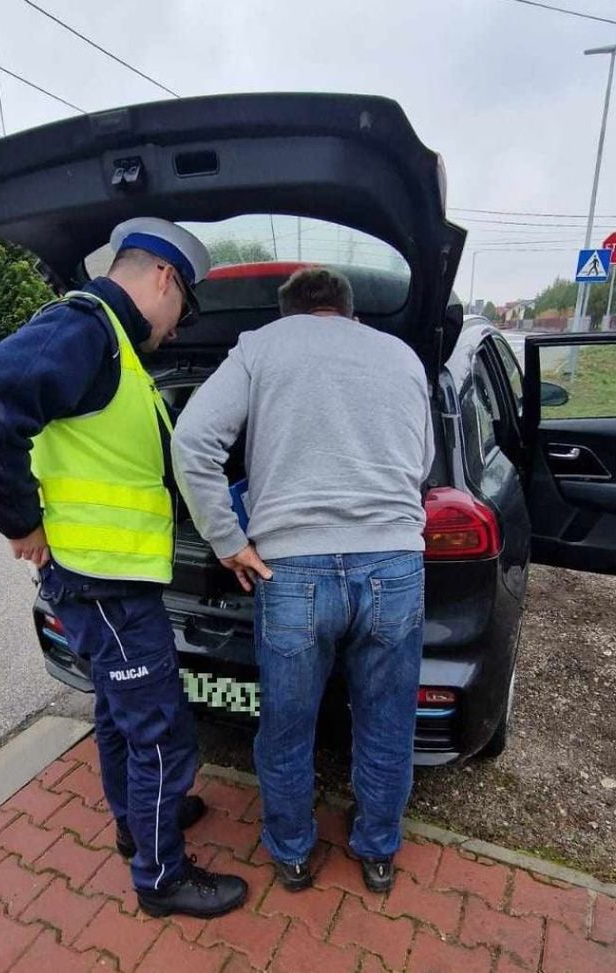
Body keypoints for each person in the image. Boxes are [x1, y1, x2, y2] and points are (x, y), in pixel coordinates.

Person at [0, 217, 248, 919]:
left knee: (117, 712)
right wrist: (20, 520)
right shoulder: (86, 330)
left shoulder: (113, 348)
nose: (178, 327)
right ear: (163, 278)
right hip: (102, 584)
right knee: (159, 730)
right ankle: (162, 877)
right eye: (184, 305)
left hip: (108, 581)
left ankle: (137, 823)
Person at [172, 266, 435, 894]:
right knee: (387, 722)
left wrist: (228, 541)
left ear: (286, 313)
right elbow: (421, 461)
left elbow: (192, 442)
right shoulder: (401, 356)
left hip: (292, 571)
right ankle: (377, 851)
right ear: (350, 311)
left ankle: (291, 854)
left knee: (287, 726)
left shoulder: (262, 346)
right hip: (393, 565)